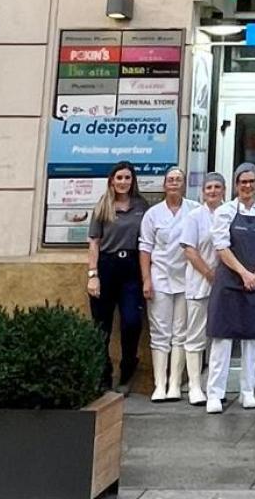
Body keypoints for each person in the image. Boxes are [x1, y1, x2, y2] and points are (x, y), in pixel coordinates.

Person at [206, 163, 255, 413]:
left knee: (251, 339)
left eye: (251, 181)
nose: (247, 186)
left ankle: (248, 391)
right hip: (229, 282)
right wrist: (244, 273)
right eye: (242, 182)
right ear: (236, 185)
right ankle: (216, 393)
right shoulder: (224, 212)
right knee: (223, 339)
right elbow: (222, 247)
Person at [87, 161, 149, 395]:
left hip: (131, 268)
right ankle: (103, 375)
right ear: (111, 180)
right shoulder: (102, 206)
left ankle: (127, 370)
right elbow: (94, 242)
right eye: (119, 178)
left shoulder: (141, 206)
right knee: (101, 326)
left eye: (127, 178)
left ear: (133, 181)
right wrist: (93, 275)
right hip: (106, 266)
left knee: (131, 321)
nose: (123, 182)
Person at [139, 168, 200, 402]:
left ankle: (175, 383)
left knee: (180, 332)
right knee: (159, 332)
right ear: (164, 185)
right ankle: (159, 385)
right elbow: (145, 248)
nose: (174, 183)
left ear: (184, 185)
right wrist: (146, 278)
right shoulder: (152, 214)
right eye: (170, 180)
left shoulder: (194, 210)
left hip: (187, 279)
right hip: (160, 278)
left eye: (178, 180)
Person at [178, 172, 227, 405]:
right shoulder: (194, 216)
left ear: (225, 190)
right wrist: (209, 273)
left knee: (219, 336)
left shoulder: (231, 213)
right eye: (209, 187)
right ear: (202, 191)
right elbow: (189, 250)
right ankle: (195, 386)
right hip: (200, 283)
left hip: (226, 285)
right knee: (196, 335)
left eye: (218, 187)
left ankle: (214, 384)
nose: (213, 191)